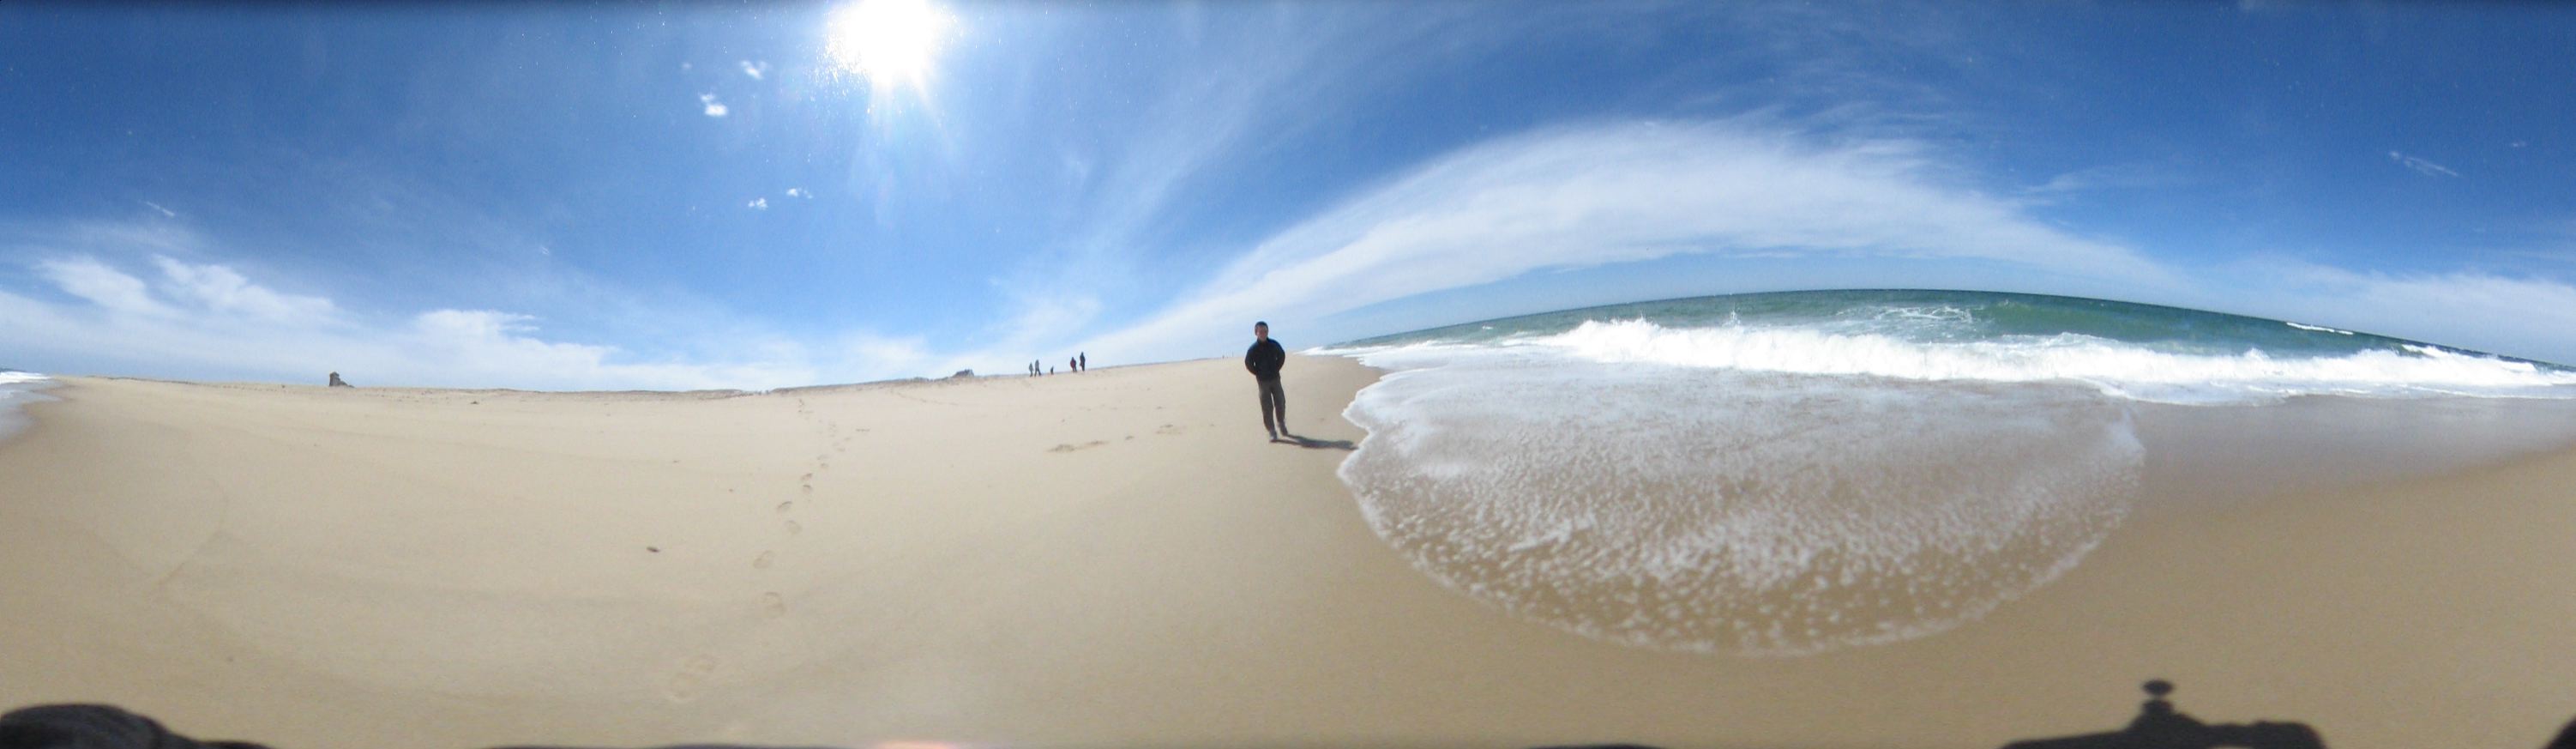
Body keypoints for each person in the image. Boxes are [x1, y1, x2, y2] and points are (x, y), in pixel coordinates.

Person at [1244, 321, 1287, 441]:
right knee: (1267, 407)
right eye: (1261, 331)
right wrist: (1258, 372)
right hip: (1263, 382)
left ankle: (1281, 423)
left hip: (1275, 378)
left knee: (1280, 402)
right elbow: (1248, 363)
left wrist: (1276, 368)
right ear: (1256, 333)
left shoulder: (1274, 345)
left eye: (1265, 331)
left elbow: (1282, 356)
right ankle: (1272, 431)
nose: (1263, 333)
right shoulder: (1253, 349)